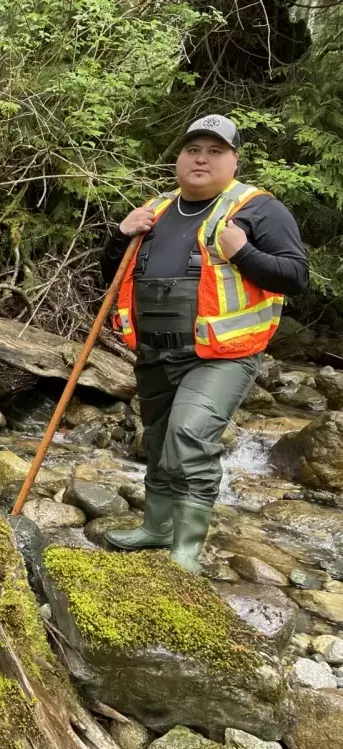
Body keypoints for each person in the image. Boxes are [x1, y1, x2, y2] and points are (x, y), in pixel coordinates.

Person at [100, 115, 308, 573]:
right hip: (155, 352)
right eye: (193, 148)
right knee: (156, 439)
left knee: (189, 434)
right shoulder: (154, 209)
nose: (201, 158)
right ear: (179, 157)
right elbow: (111, 276)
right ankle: (156, 529)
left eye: (215, 150)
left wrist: (243, 253)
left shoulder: (258, 210)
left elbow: (296, 276)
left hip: (223, 356)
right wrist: (119, 236)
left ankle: (187, 549)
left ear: (233, 159)